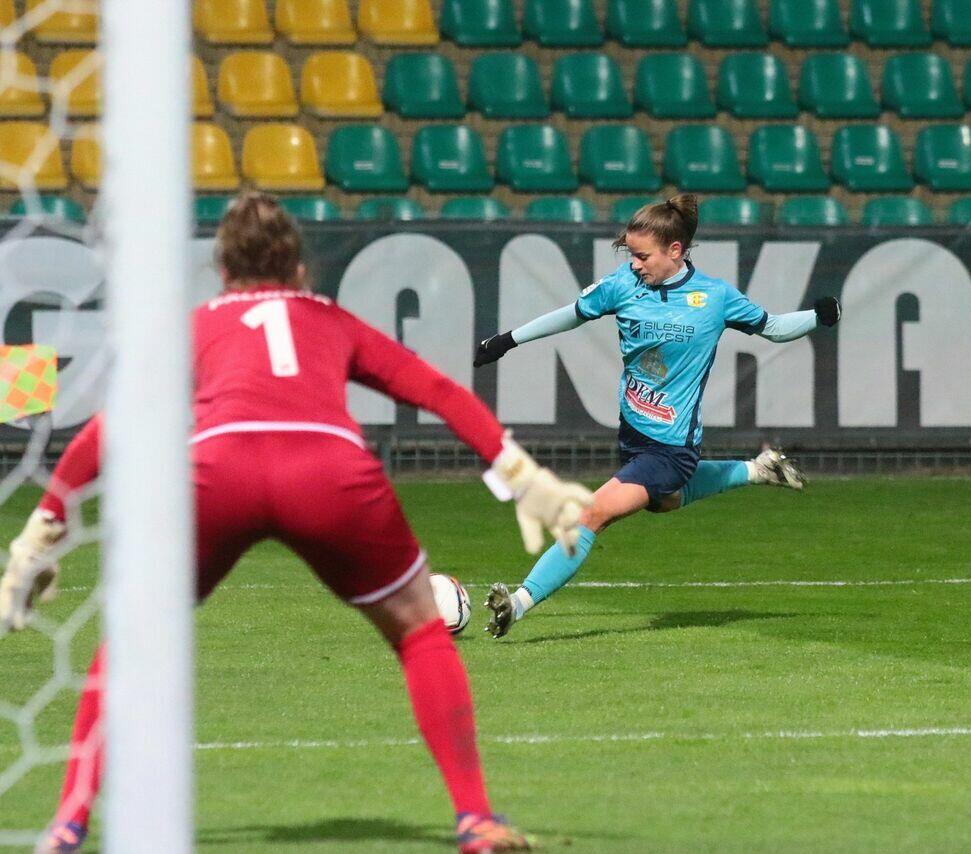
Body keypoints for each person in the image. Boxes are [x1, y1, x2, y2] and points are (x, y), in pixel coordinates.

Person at [0, 192, 593, 853]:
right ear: (300, 269)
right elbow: (438, 391)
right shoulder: (327, 316)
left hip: (217, 475)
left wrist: (43, 527)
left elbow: (111, 426)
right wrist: (524, 478)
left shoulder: (198, 324)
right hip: (329, 476)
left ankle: (68, 821)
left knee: (131, 643)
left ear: (223, 270)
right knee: (420, 631)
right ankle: (475, 819)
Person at [473, 194, 840, 638]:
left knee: (591, 515)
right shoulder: (622, 285)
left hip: (671, 447)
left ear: (675, 250)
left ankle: (517, 603)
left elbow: (775, 328)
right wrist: (508, 340)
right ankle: (756, 470)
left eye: (642, 256)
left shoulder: (715, 297)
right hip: (633, 432)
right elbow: (571, 314)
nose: (635, 264)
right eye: (630, 254)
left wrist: (818, 316)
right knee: (663, 502)